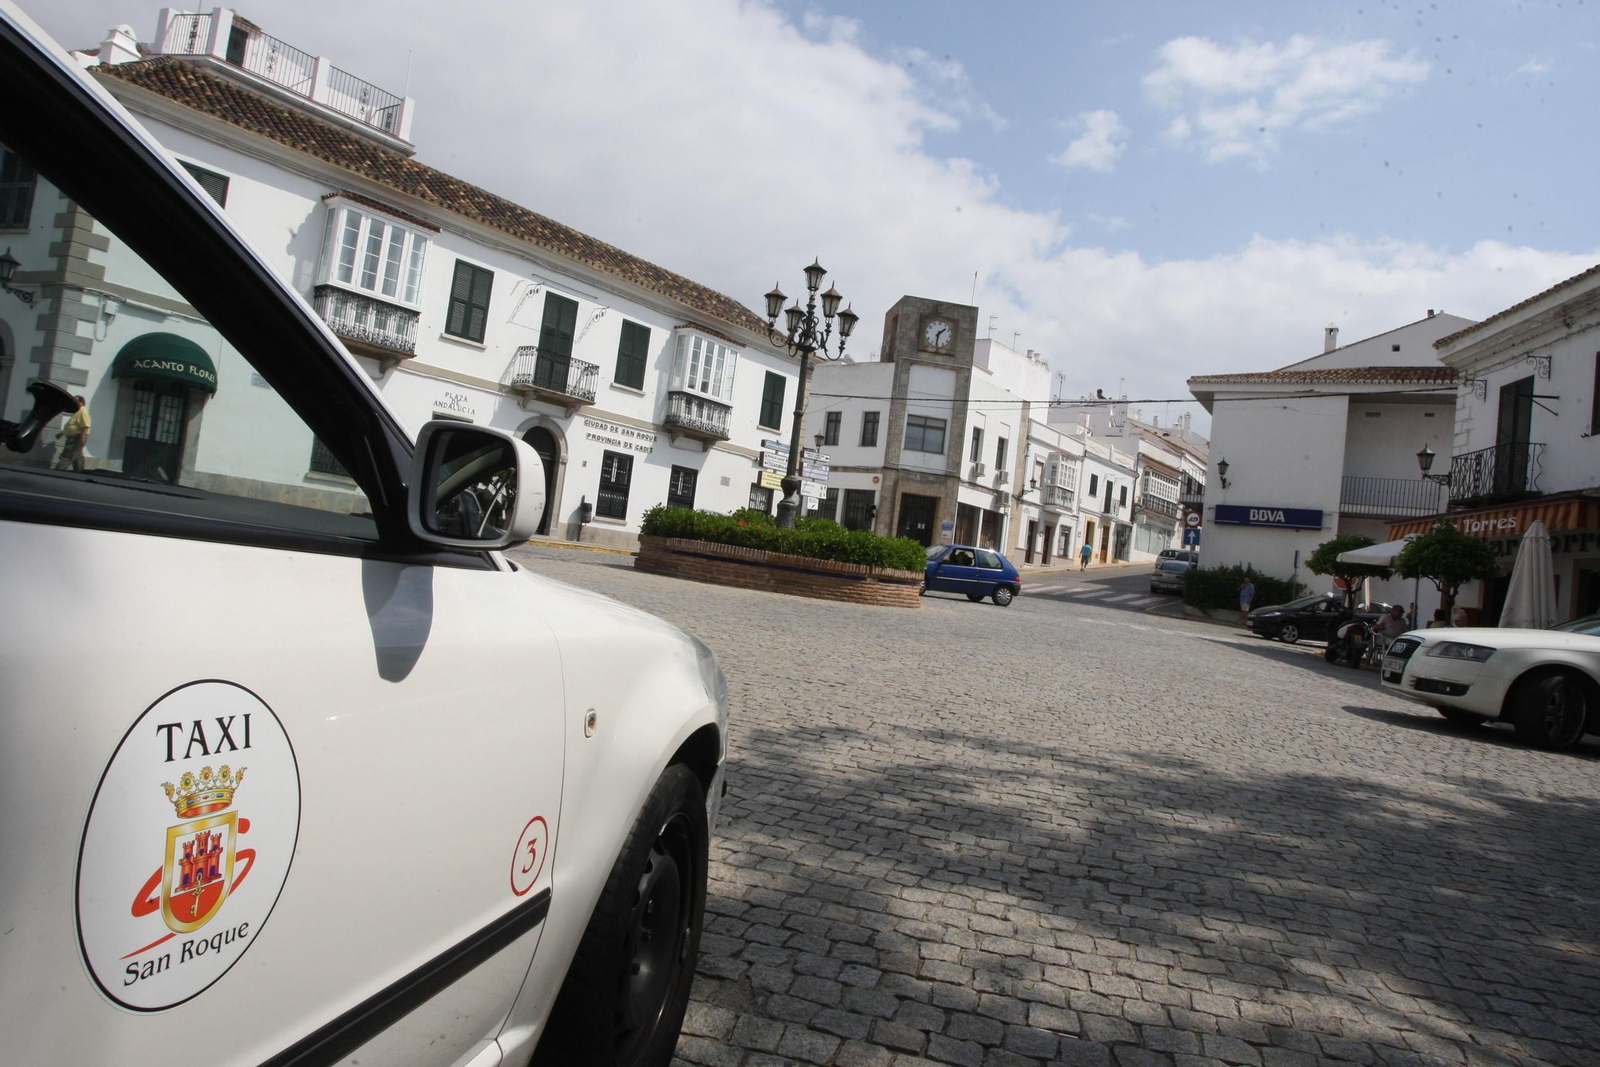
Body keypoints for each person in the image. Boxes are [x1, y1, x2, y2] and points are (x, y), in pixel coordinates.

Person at [53, 395, 90, 471]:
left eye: (76, 401)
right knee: (77, 456)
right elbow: (72, 425)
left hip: (76, 437)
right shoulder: (78, 412)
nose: (74, 403)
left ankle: (58, 471)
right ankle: (79, 472)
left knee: (68, 455)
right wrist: (62, 433)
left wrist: (82, 438)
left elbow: (85, 426)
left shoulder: (83, 412)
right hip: (74, 437)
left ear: (81, 402)